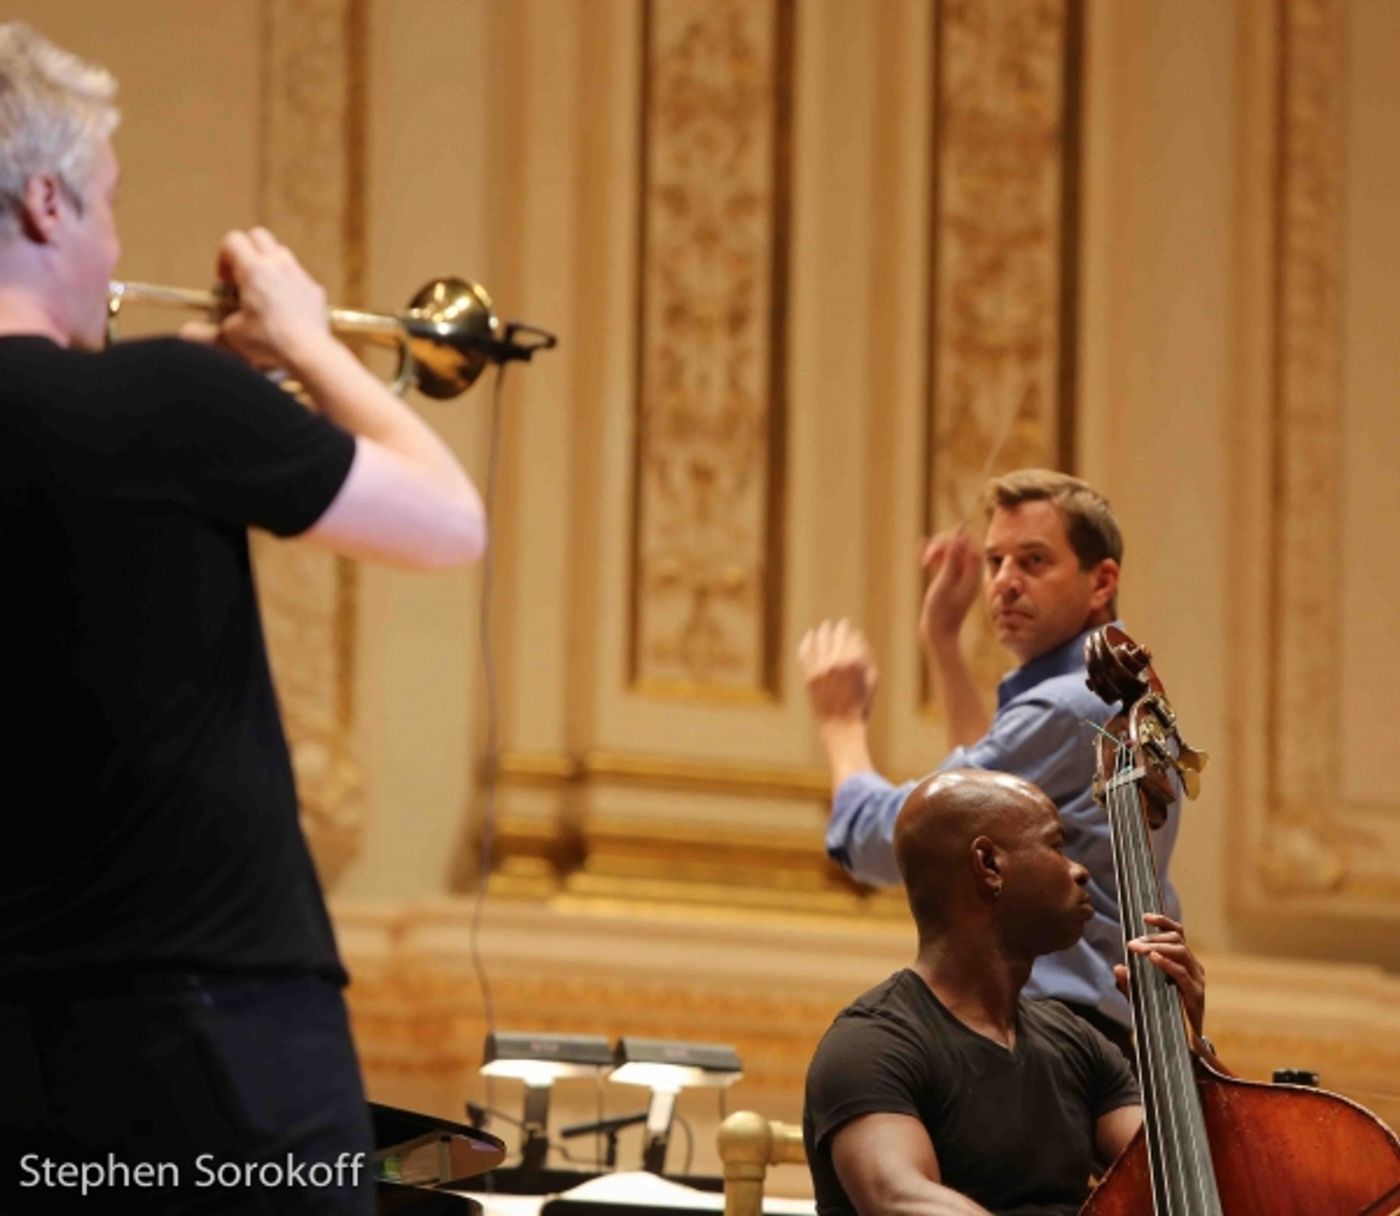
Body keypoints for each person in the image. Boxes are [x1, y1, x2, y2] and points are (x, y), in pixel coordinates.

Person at [0, 23, 486, 1214]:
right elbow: (448, 519)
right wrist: (310, 347)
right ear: (49, 203)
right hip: (214, 1028)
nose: (117, 241)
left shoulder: (170, 401)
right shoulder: (170, 397)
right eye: (109, 203)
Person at [798, 469, 1179, 1056]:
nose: (1003, 582)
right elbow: (993, 810)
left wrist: (841, 724)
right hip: (1105, 1028)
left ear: (1101, 581)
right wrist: (943, 642)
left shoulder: (1070, 704)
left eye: (1033, 561)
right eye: (995, 561)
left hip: (1054, 1032)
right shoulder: (1118, 690)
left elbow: (900, 840)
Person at [803, 769, 1208, 1216]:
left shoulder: (1075, 1042)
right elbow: (898, 1198)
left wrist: (1183, 1044)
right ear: (989, 865)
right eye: (1056, 846)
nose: (1080, 871)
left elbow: (1178, 1171)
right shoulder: (871, 1045)